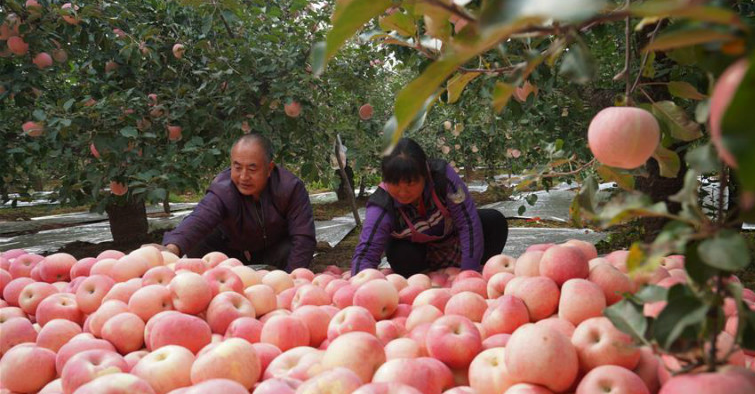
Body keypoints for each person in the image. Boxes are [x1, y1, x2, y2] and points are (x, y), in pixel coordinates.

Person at [351, 138, 508, 277]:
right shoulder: (382, 204)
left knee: (493, 221)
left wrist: (469, 275)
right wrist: (358, 288)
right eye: (394, 184)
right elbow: (366, 252)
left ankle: (482, 270)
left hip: (454, 242)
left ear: (425, 174)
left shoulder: (442, 178)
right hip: (419, 256)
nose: (403, 192)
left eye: (411, 183)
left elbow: (467, 222)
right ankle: (425, 280)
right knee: (400, 253)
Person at [162, 133, 316, 270]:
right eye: (237, 168)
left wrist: (292, 281)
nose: (243, 177)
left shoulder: (290, 188)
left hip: (273, 251)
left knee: (289, 249)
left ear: (269, 169)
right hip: (232, 255)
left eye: (252, 169)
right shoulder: (223, 189)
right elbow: (200, 217)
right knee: (199, 239)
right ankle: (221, 282)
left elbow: (304, 237)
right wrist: (172, 248)